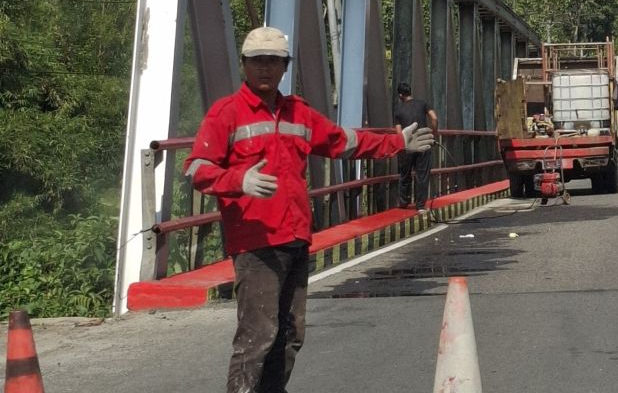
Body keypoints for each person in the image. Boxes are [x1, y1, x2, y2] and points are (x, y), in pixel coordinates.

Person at [184, 26, 434, 393]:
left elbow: (341, 141)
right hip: (255, 244)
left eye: (274, 61)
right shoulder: (227, 114)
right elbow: (196, 168)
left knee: (289, 334)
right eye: (257, 62)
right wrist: (237, 181)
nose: (265, 69)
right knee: (257, 336)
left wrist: (396, 143)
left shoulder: (297, 112)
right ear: (244, 65)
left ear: (285, 66)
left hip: (296, 237)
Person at [393, 82, 439, 212]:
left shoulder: (398, 110)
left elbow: (398, 132)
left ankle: (403, 202)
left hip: (407, 145)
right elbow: (434, 118)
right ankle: (420, 206)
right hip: (423, 143)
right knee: (422, 174)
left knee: (405, 174)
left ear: (400, 95)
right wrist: (433, 133)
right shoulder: (422, 103)